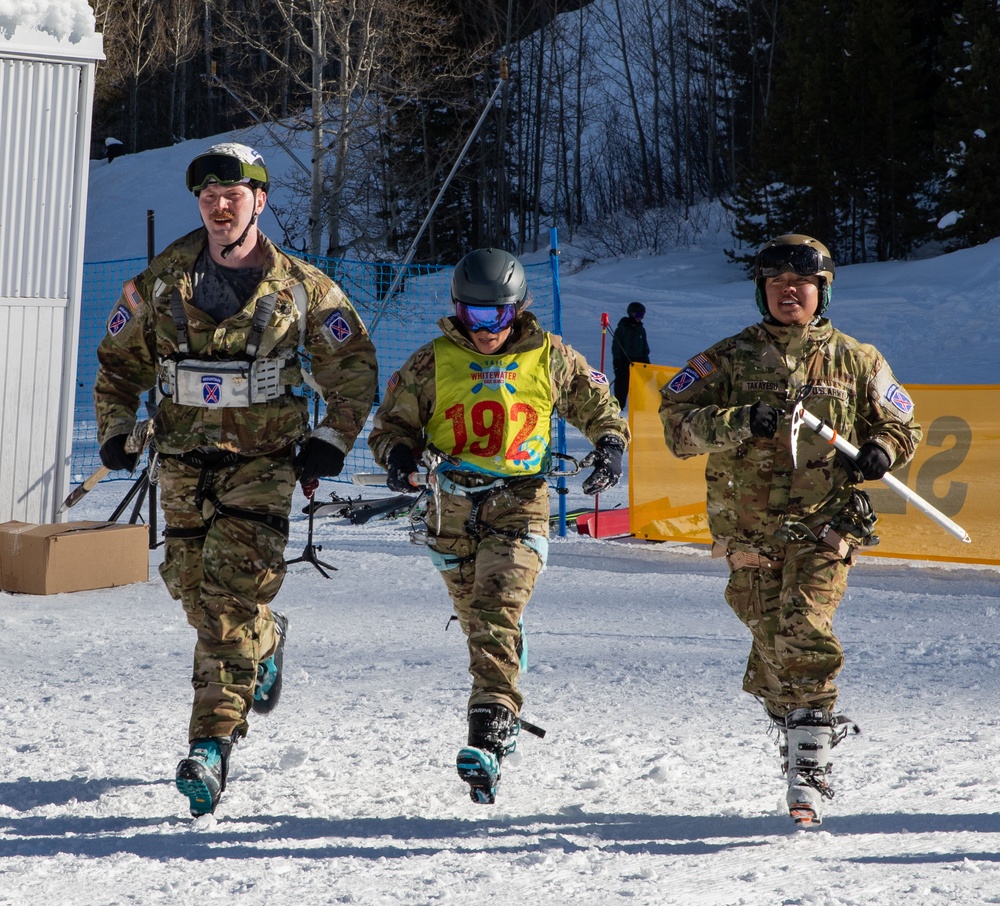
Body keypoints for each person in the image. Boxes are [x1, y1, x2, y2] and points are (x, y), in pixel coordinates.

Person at [93, 142, 378, 817]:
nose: (219, 206)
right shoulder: (161, 279)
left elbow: (354, 362)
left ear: (260, 199)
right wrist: (113, 427)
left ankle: (211, 746)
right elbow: (117, 360)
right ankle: (267, 636)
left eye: (233, 194)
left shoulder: (302, 286)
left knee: (223, 604)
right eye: (208, 197)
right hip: (184, 458)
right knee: (191, 591)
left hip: (264, 461)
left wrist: (332, 438)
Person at [658, 234, 922, 827]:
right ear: (761, 291)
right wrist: (737, 420)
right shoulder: (726, 359)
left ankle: (808, 767)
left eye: (800, 284)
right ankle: (802, 720)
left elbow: (904, 424)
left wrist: (881, 449)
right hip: (747, 534)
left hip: (825, 528)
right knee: (773, 644)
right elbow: (676, 429)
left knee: (804, 627)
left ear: (821, 290)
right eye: (776, 284)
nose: (789, 293)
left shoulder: (858, 359)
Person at [367, 248, 629, 805]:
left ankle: (489, 732)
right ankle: (502, 678)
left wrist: (610, 444)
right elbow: (390, 426)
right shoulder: (430, 362)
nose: (485, 330)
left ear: (519, 311)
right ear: (456, 311)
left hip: (521, 498)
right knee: (477, 618)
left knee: (494, 609)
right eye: (473, 316)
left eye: (498, 316)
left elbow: (598, 404)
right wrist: (399, 458)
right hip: (450, 507)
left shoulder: (549, 356)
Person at [611, 301, 650, 409]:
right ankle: (617, 411)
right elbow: (616, 347)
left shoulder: (641, 330)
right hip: (624, 363)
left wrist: (647, 364)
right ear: (631, 314)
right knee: (621, 390)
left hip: (638, 364)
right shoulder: (622, 329)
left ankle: (639, 412)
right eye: (638, 315)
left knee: (639, 391)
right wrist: (617, 363)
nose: (640, 318)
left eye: (642, 315)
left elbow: (645, 349)